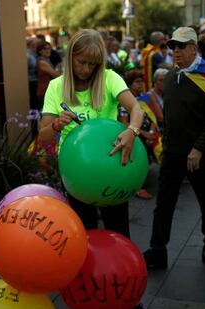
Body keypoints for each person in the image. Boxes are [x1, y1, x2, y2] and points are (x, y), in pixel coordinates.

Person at [143, 27, 205, 269]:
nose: (175, 51)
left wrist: (198, 148)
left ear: (193, 48)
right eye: (172, 46)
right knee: (163, 203)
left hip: (197, 156)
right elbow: (169, 113)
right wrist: (165, 141)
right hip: (172, 153)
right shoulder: (170, 76)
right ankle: (158, 250)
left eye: (181, 46)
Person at [38, 29, 143, 240]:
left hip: (112, 167)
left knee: (118, 232)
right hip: (77, 172)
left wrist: (132, 131)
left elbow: (136, 109)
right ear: (70, 58)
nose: (86, 69)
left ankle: (122, 272)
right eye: (81, 62)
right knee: (84, 235)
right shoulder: (56, 87)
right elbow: (43, 137)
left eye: (92, 64)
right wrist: (57, 124)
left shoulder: (109, 78)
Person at [119, 69, 159, 200]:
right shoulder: (125, 102)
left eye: (142, 82)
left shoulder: (144, 98)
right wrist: (143, 134)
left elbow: (153, 118)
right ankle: (137, 186)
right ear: (129, 85)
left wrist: (151, 132)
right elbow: (124, 124)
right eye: (137, 82)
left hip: (150, 132)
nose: (140, 85)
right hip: (135, 134)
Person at [36, 41, 60, 110]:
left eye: (49, 48)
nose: (48, 50)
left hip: (47, 90)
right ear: (40, 51)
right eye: (45, 49)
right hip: (44, 92)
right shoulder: (42, 62)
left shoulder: (47, 60)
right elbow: (56, 75)